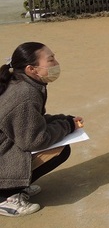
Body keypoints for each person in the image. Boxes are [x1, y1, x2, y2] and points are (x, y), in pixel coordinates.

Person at [0, 42, 84, 217]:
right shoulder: (25, 94)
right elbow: (34, 139)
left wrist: (64, 120)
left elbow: (31, 120)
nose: (56, 64)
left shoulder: (21, 83)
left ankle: (16, 184)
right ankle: (5, 196)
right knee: (59, 150)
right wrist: (67, 126)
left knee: (58, 141)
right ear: (32, 69)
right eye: (51, 60)